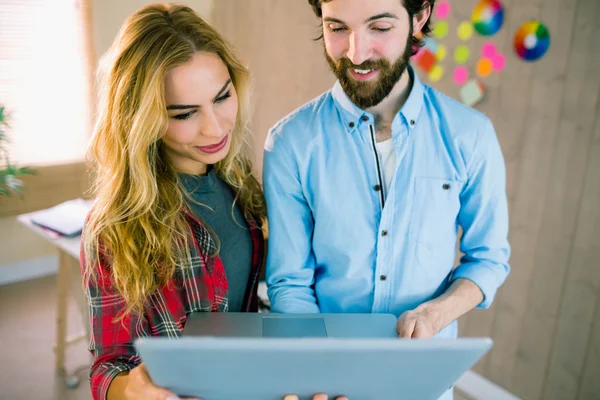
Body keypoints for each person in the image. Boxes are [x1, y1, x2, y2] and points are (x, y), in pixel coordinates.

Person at [264, 0, 510, 397]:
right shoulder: (289, 143)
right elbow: (290, 283)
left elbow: (489, 259)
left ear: (420, 17)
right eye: (337, 28)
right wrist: (318, 373)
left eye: (379, 27)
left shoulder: (471, 135)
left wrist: (435, 314)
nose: (356, 53)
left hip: (423, 384)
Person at [80, 4, 271, 400]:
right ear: (140, 117)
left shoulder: (239, 181)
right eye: (184, 114)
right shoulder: (115, 227)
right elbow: (107, 367)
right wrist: (131, 388)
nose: (215, 127)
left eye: (222, 97)